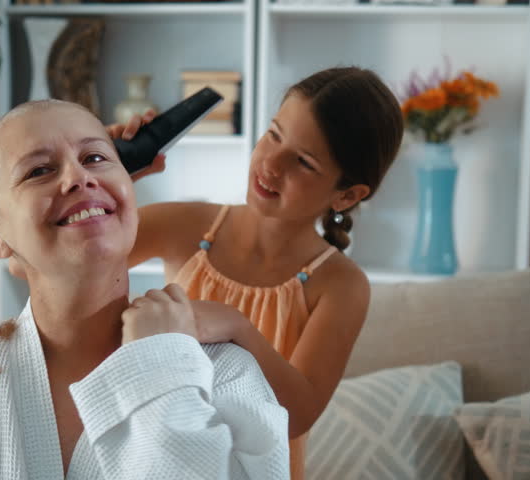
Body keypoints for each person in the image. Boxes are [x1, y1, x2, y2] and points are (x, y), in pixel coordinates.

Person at [0, 99, 290, 479]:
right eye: (38, 171)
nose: (79, 178)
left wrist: (161, 369)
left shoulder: (225, 375)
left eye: (95, 158)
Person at [110, 66, 404, 479]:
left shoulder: (341, 285)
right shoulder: (186, 225)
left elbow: (298, 415)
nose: (272, 163)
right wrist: (108, 173)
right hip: (165, 462)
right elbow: (36, 266)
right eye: (274, 134)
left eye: (303, 161)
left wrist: (238, 327)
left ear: (348, 194)